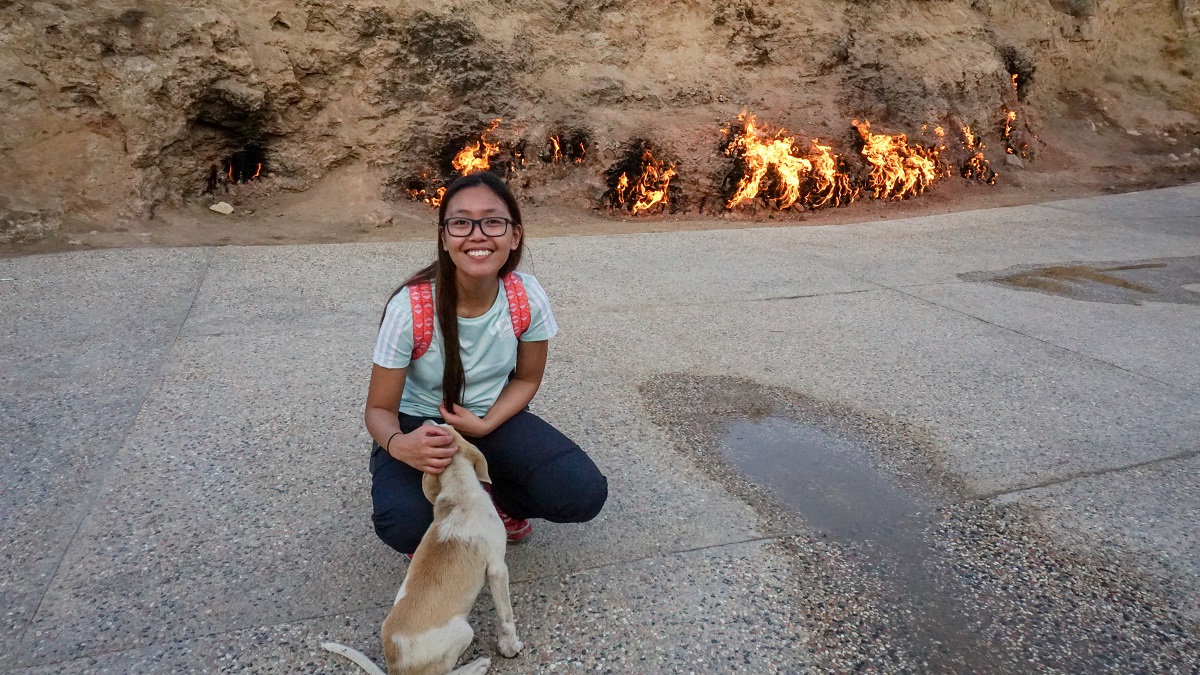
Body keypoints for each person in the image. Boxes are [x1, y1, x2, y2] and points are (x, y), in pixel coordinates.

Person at [365, 171, 608, 556]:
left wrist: (486, 423)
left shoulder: (525, 296)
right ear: (444, 238)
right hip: (418, 426)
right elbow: (378, 409)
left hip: (491, 419)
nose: (477, 235)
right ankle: (438, 504)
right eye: (461, 223)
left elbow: (526, 380)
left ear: (515, 236)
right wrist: (399, 445)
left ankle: (498, 502)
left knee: (581, 492)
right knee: (404, 524)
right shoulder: (409, 307)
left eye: (493, 222)